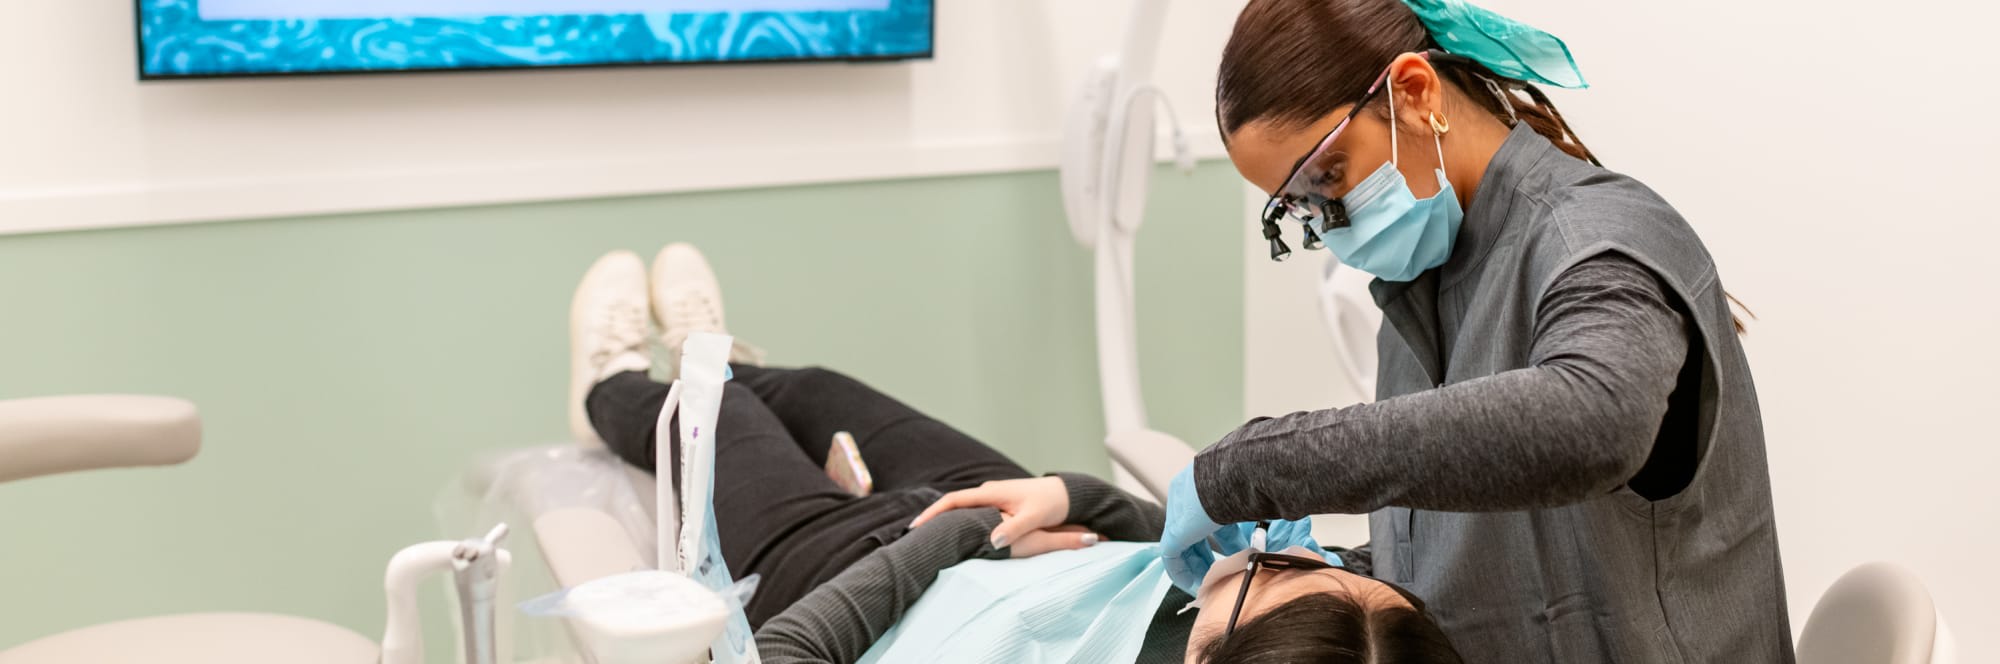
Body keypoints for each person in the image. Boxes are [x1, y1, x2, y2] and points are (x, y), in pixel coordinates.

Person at [1148, 1, 1794, 663]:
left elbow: (1592, 421)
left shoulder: (1597, 236)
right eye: (1301, 210)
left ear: (1415, 92)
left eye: (1328, 179)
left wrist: (1255, 465)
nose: (1328, 224)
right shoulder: (1417, 298)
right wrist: (1315, 571)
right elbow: (1474, 563)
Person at [564, 245, 1468, 663]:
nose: (1278, 547)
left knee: (707, 405)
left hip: (844, 572)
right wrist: (1071, 497)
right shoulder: (1299, 624)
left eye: (1275, 572)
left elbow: (790, 653)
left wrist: (970, 539)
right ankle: (736, 375)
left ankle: (611, 385)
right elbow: (1169, 548)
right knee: (802, 389)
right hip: (1008, 517)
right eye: (1333, 560)